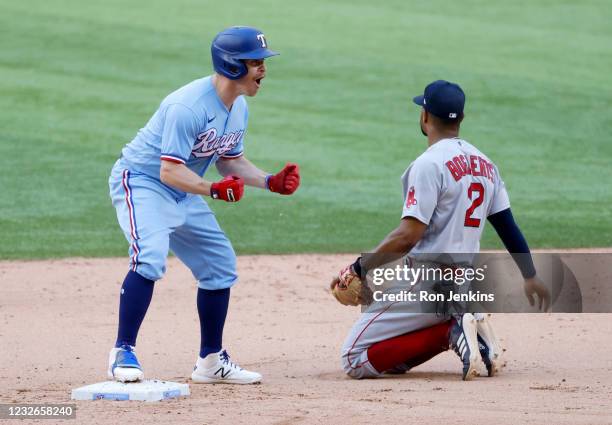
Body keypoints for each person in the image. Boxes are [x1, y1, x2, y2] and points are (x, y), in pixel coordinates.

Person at [107, 26, 300, 385]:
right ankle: (123, 350)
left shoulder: (237, 106)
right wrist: (212, 189)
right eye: (255, 63)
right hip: (144, 182)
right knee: (150, 257)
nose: (263, 70)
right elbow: (168, 171)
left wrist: (270, 181)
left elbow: (230, 161)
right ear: (231, 65)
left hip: (184, 187)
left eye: (262, 62)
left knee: (219, 265)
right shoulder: (188, 107)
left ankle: (211, 361)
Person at [331, 80, 550, 380]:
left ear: (424, 116)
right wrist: (530, 275)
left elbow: (408, 235)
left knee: (355, 359)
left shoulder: (428, 164)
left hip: (425, 282)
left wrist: (359, 267)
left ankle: (450, 331)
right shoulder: (486, 165)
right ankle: (465, 330)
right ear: (460, 118)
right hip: (464, 284)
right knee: (393, 363)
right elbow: (507, 226)